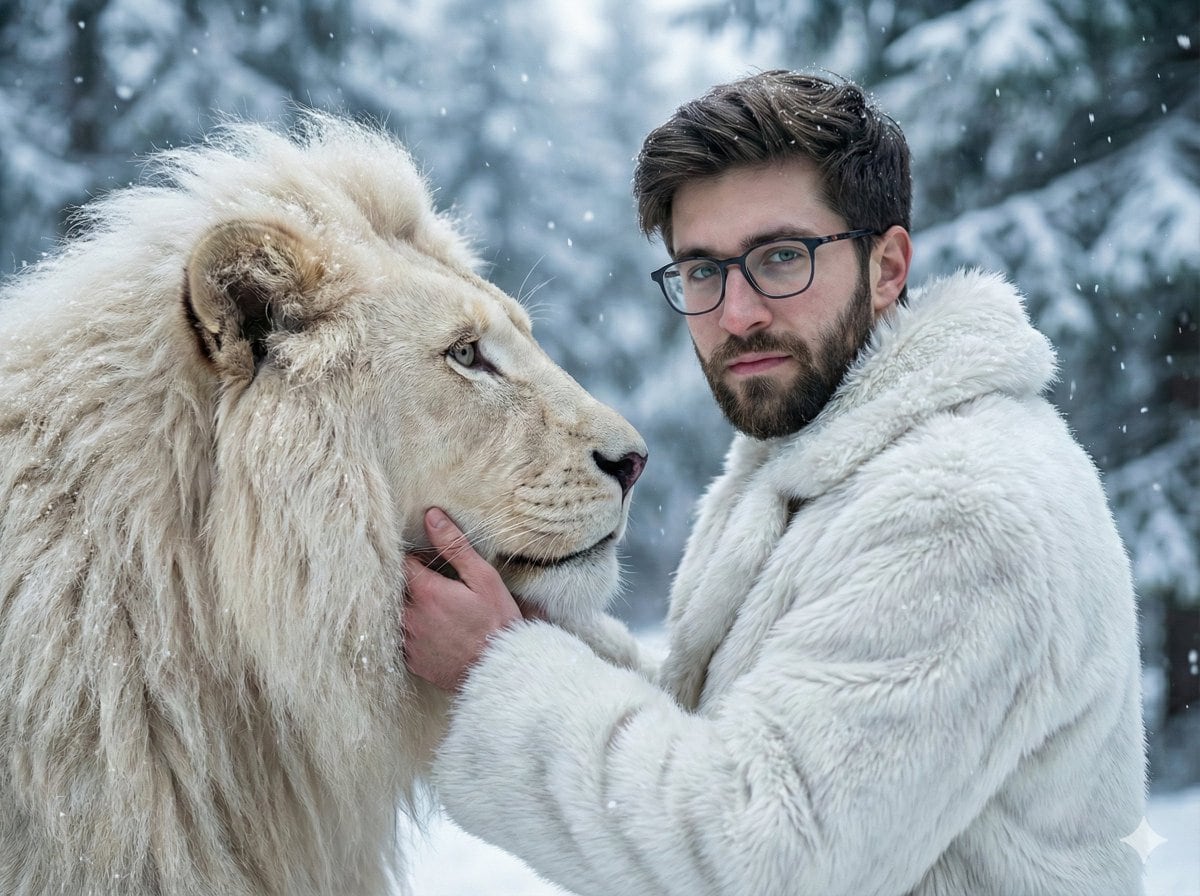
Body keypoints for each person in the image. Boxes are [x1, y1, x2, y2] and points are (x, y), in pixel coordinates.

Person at [402, 70, 1147, 895]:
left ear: (887, 266)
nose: (737, 313)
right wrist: (545, 639)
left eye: (781, 258)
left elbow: (763, 857)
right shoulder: (826, 464)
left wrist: (496, 670)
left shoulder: (960, 506)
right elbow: (739, 748)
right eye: (702, 271)